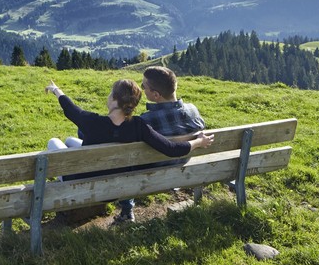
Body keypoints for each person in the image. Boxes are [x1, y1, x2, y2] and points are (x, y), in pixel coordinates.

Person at [44, 78, 213, 220]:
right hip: (121, 187)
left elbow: (71, 109)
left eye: (111, 93)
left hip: (83, 184)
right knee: (70, 141)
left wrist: (56, 90)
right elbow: (172, 149)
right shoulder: (139, 126)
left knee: (54, 142)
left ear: (115, 100)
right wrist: (198, 142)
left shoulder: (92, 122)